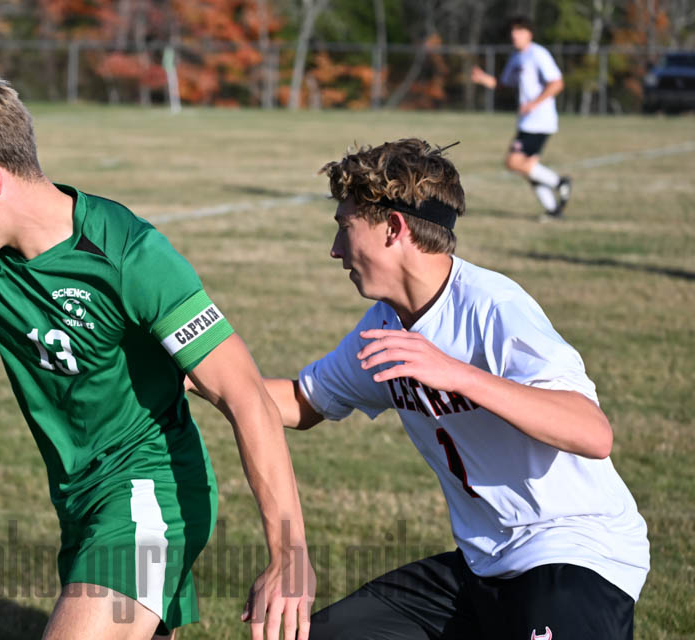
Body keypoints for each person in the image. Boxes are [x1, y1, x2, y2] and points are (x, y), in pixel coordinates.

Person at [0, 64, 314, 640]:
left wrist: (289, 556)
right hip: (78, 498)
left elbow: (245, 396)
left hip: (149, 494)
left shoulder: (128, 255)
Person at [203, 139, 649, 638]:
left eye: (345, 227)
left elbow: (592, 433)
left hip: (574, 553)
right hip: (480, 566)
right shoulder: (385, 324)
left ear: (394, 228)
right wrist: (191, 371)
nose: (335, 250)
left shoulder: (493, 307)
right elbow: (302, 402)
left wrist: (456, 374)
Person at [472, 16, 572, 219]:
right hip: (527, 121)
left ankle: (560, 183)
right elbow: (504, 85)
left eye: (519, 30)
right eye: (512, 31)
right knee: (527, 168)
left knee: (513, 162)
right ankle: (553, 210)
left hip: (540, 120)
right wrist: (484, 79)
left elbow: (557, 83)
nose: (514, 35)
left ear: (529, 34)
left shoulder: (538, 54)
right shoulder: (516, 57)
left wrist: (533, 104)